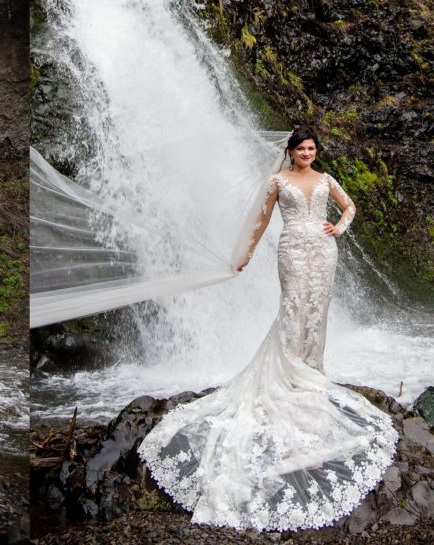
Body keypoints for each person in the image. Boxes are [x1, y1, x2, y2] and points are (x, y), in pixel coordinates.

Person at [137, 127, 398, 531]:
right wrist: (244, 254)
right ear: (291, 152)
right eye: (302, 149)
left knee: (317, 310)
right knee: (293, 307)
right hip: (292, 250)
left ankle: (310, 368)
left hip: (325, 252)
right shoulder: (279, 181)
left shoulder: (327, 180)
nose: (307, 153)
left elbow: (350, 208)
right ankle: (289, 368)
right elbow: (260, 222)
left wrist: (339, 229)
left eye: (312, 148)